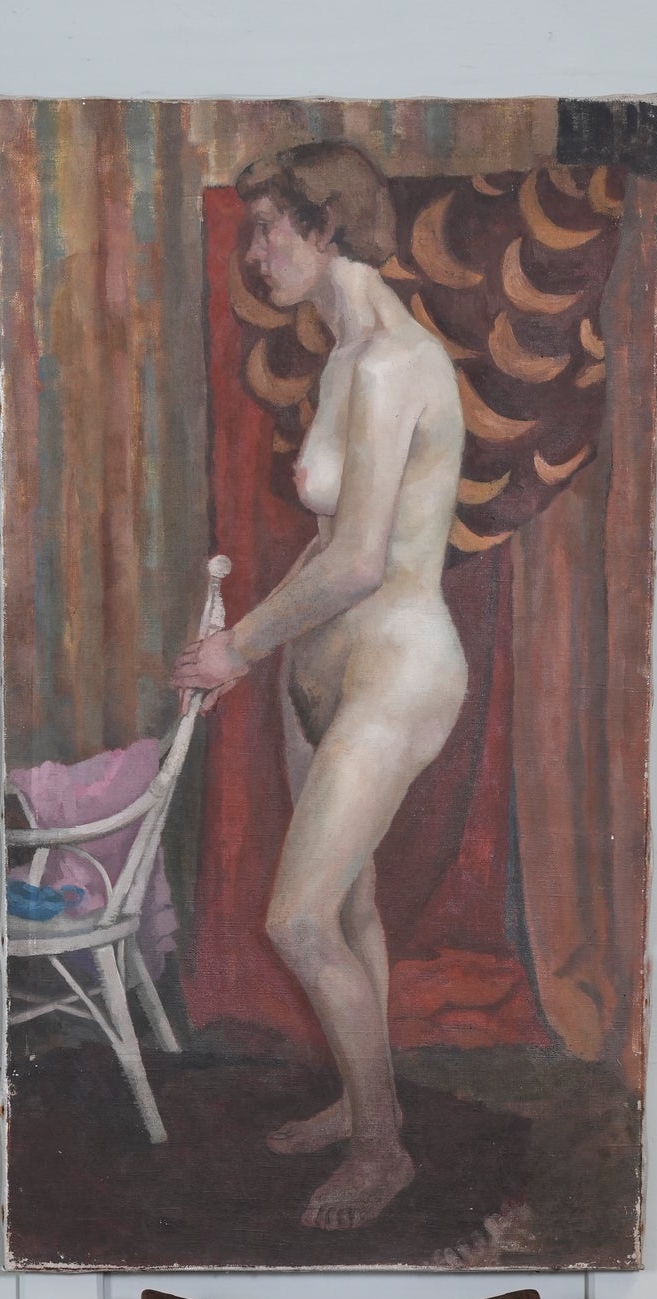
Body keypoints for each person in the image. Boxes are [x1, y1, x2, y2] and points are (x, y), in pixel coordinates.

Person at [171, 140, 467, 1232]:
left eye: (269, 230)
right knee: (348, 906)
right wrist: (243, 645)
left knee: (296, 920)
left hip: (397, 668)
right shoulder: (345, 356)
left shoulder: (390, 363)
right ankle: (357, 1098)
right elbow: (325, 545)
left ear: (327, 226)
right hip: (324, 672)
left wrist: (238, 650)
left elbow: (360, 564)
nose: (255, 255)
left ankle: (383, 1149)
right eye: (254, 231)